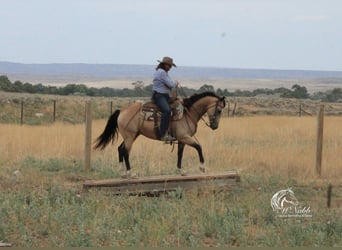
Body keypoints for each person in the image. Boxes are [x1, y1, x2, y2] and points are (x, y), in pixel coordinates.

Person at [152, 56, 179, 141]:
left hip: (164, 95)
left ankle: (173, 130)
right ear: (164, 65)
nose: (170, 68)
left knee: (178, 104)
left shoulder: (163, 72)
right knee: (167, 111)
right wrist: (176, 82)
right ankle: (163, 134)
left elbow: (169, 84)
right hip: (159, 96)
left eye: (171, 66)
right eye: (169, 66)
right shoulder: (162, 73)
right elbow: (171, 84)